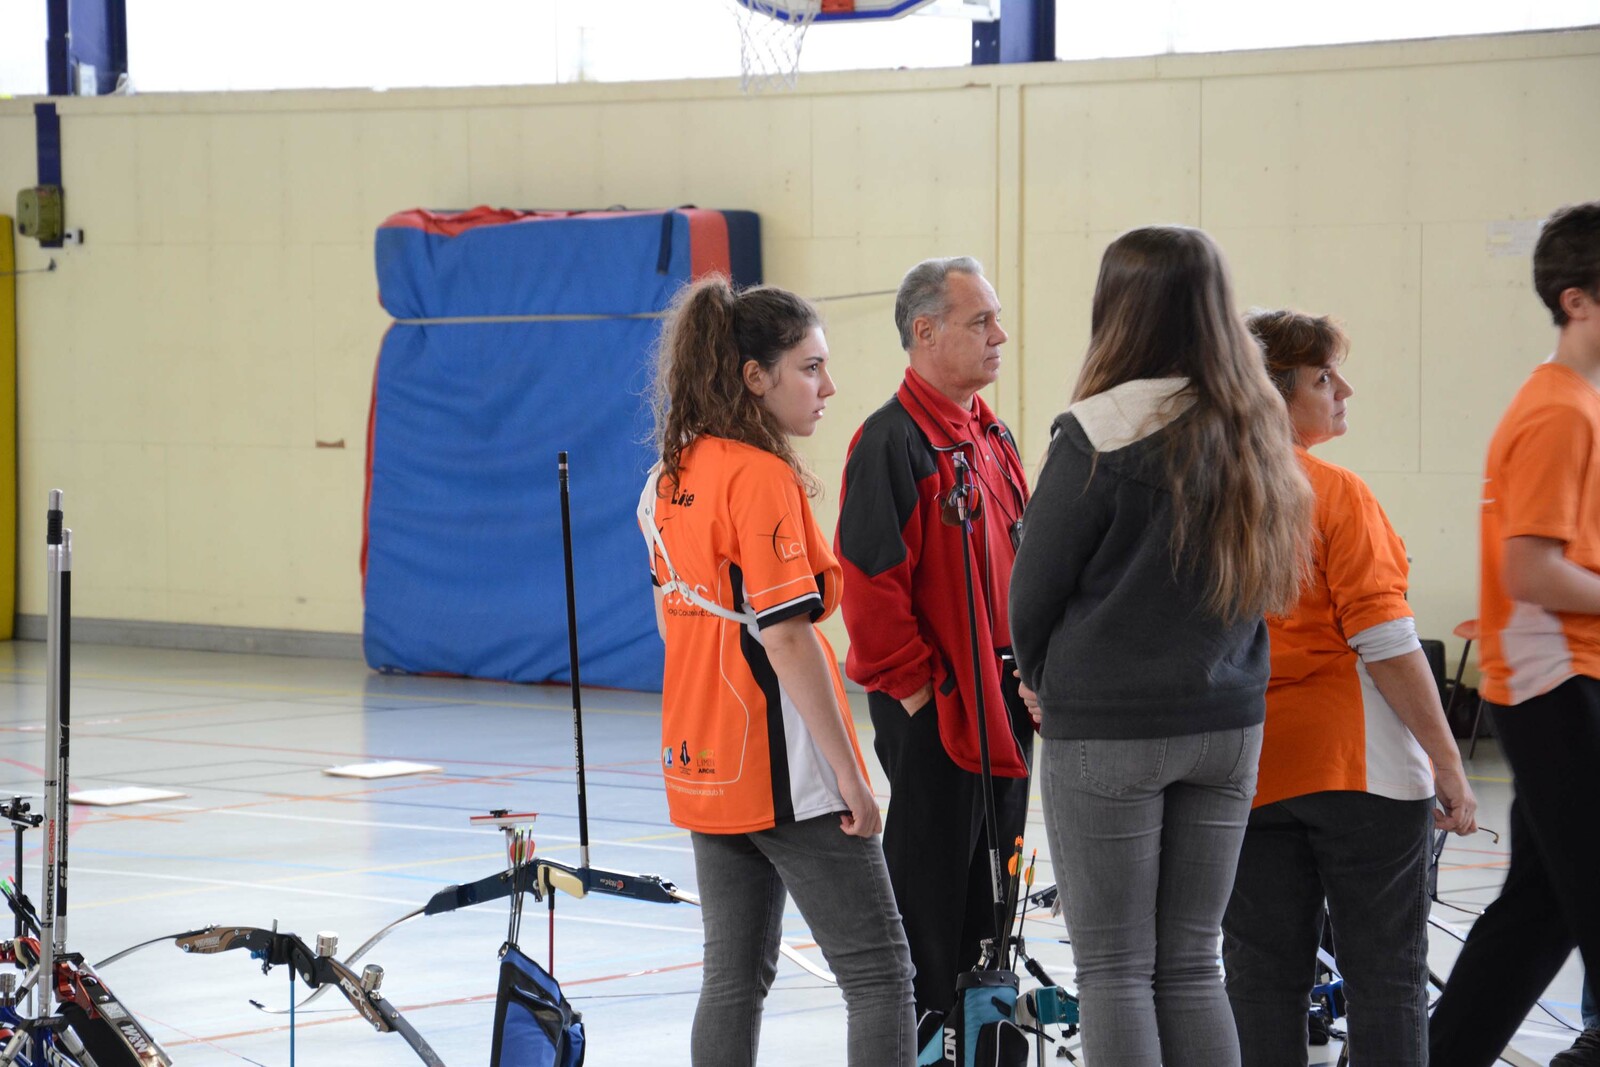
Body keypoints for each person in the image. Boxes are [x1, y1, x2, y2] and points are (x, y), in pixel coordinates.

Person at [1009, 225, 1313, 1067]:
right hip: (1228, 721)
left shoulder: (1099, 429)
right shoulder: (1257, 424)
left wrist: (1041, 679)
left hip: (1110, 726)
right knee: (1191, 963)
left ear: (1119, 310)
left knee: (1114, 968)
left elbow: (1032, 590)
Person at [640, 277, 915, 1067]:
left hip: (703, 756)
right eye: (810, 367)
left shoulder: (667, 476)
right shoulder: (758, 476)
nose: (828, 387)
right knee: (879, 975)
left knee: (733, 976)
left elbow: (671, 624)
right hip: (782, 761)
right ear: (754, 377)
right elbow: (787, 638)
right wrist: (851, 778)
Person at [1220, 309, 1478, 1067]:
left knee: (1261, 982)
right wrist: (1449, 762)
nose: (1345, 391)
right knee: (1386, 980)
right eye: (1325, 378)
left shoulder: (1205, 494)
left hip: (1248, 767)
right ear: (1276, 392)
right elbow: (1388, 644)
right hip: (1358, 770)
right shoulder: (1334, 492)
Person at [834, 256, 1034, 1022]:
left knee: (993, 907)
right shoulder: (890, 441)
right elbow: (870, 586)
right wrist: (924, 694)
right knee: (929, 911)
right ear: (925, 331)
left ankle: (978, 1037)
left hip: (1005, 705)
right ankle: (921, 1041)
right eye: (981, 321)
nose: (1000, 335)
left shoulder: (992, 434)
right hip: (941, 712)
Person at [1429, 200, 1600, 1067]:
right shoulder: (1560, 411)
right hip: (1558, 683)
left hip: (1559, 683)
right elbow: (1531, 570)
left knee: (1539, 912)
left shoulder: (1574, 404)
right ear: (1577, 300)